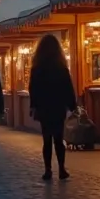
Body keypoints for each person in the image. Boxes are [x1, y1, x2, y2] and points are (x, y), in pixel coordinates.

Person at [28, 34, 77, 181]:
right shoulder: (61, 67)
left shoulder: (37, 68)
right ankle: (61, 169)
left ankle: (48, 169)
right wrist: (72, 105)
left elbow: (33, 88)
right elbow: (67, 87)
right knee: (58, 138)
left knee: (47, 139)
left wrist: (33, 105)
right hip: (57, 106)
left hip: (44, 107)